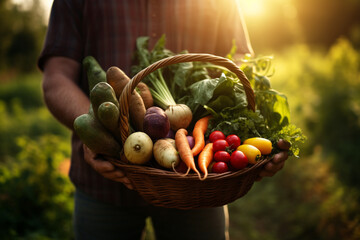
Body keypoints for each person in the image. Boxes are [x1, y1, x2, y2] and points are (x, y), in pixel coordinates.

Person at [38, 1, 290, 239]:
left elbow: (241, 61)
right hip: (106, 178)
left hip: (199, 184)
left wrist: (253, 146)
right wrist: (98, 132)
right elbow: (56, 77)